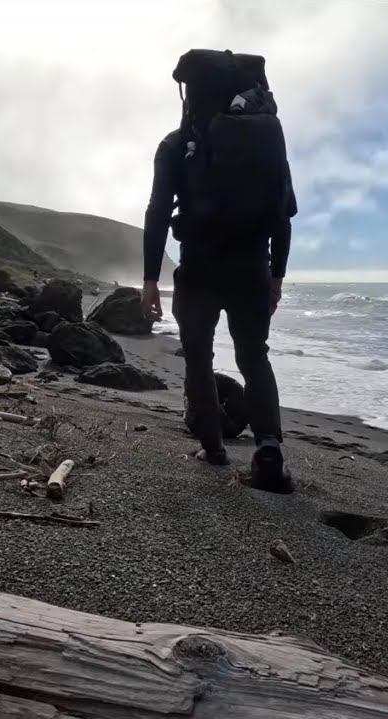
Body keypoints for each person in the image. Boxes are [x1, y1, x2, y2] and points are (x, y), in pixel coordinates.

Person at [140, 49, 297, 493]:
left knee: (199, 356)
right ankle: (270, 449)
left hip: (200, 269)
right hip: (251, 267)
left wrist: (151, 278)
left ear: (190, 93)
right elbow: (283, 215)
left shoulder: (175, 144)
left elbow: (157, 212)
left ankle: (212, 448)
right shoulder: (265, 142)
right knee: (254, 357)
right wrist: (276, 277)